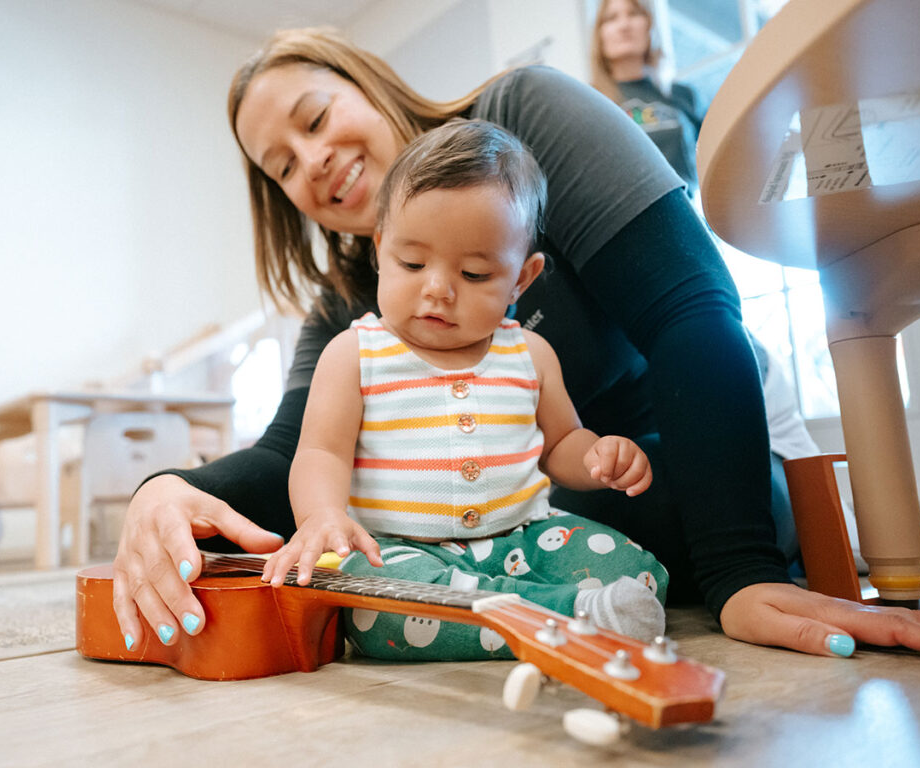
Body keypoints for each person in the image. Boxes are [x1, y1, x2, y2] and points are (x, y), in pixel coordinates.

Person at [112, 27, 920, 659]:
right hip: (544, 499)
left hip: (699, 442)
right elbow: (295, 453)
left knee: (634, 503)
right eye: (282, 166)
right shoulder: (346, 310)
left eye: (317, 119)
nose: (314, 162)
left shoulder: (527, 117)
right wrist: (167, 488)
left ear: (364, 82)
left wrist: (740, 571)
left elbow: (690, 306)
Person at [261, 119, 669, 656]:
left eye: (475, 274)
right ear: (380, 248)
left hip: (522, 542)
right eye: (411, 263)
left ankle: (527, 614)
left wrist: (599, 456)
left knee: (638, 571)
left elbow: (562, 444)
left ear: (520, 280)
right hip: (400, 551)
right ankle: (566, 615)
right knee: (377, 599)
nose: (437, 290)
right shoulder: (355, 354)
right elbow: (320, 453)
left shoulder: (529, 355)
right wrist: (322, 516)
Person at [590, 0, 701, 192]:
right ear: (600, 35)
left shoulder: (684, 96)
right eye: (612, 18)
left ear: (649, 25)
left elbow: (723, 158)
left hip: (689, 212)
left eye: (634, 14)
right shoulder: (589, 103)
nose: (624, 25)